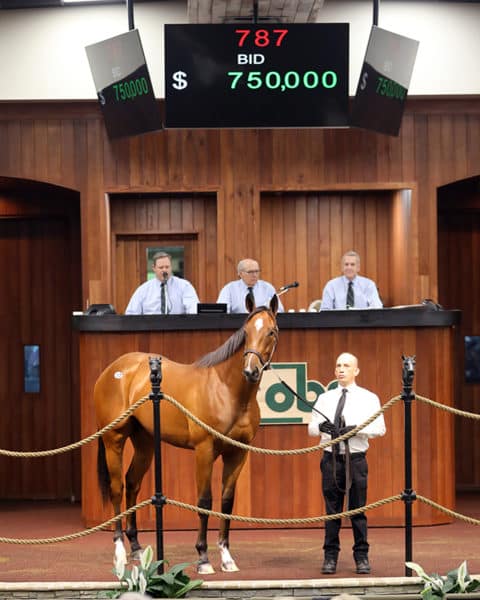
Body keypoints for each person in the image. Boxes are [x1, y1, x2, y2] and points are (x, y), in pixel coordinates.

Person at [307, 352, 386, 576]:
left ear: (356, 371)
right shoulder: (325, 398)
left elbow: (380, 428)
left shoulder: (369, 398)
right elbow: (311, 427)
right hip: (331, 459)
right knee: (332, 511)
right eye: (338, 365)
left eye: (346, 365)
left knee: (358, 511)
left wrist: (355, 429)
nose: (341, 369)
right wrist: (322, 427)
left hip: (356, 460)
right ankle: (330, 557)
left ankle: (361, 557)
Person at [125, 251, 199, 315]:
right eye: (161, 267)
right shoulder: (143, 290)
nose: (164, 270)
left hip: (178, 328)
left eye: (167, 267)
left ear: (171, 267)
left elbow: (193, 308)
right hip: (150, 328)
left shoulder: (184, 286)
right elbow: (131, 314)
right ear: (154, 268)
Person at [216, 258, 284, 313]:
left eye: (257, 271)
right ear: (240, 273)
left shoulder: (267, 288)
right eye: (250, 272)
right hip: (238, 325)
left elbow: (279, 310)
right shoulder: (229, 289)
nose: (255, 275)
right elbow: (222, 312)